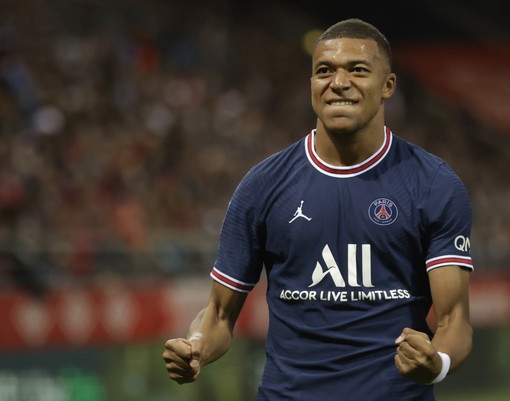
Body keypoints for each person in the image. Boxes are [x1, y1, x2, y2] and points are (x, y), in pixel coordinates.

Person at [162, 18, 473, 400]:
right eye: (324, 70)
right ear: (312, 84)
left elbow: (454, 319)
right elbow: (219, 315)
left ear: (388, 86)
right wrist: (195, 347)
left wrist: (437, 363)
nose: (338, 82)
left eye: (357, 70)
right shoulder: (263, 186)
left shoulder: (433, 184)